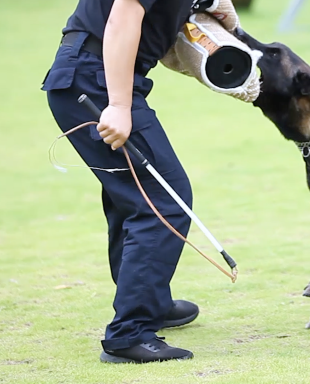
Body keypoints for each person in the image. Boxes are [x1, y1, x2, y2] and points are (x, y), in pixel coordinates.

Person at [41, 0, 205, 363]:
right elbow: (123, 16)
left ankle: (150, 302)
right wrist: (118, 105)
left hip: (90, 74)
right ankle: (130, 333)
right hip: (95, 81)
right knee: (163, 201)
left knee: (133, 198)